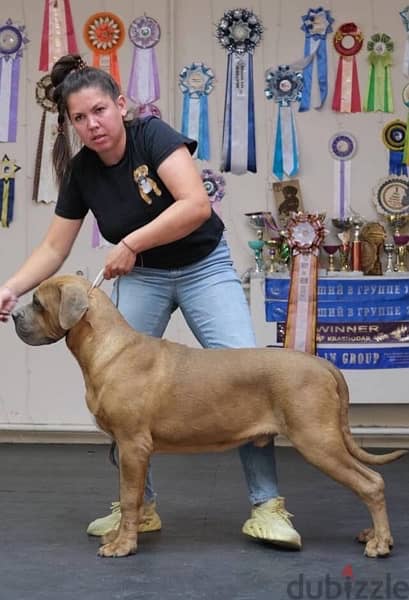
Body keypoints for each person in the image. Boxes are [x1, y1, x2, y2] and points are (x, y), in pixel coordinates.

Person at [0, 54, 301, 550]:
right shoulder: (81, 172)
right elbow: (56, 246)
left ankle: (267, 506)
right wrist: (12, 286)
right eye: (79, 117)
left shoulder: (154, 136)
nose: (92, 124)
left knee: (249, 379)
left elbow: (195, 205)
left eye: (99, 110)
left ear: (121, 105)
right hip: (144, 277)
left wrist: (134, 241)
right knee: (117, 394)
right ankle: (138, 511)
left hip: (203, 265)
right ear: (71, 123)